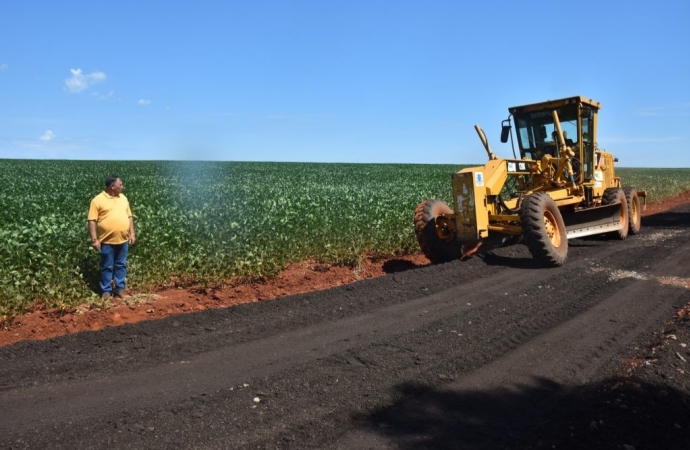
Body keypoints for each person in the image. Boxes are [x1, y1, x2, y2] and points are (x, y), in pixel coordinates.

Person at [88, 174, 136, 299]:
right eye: (120, 185)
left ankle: (120, 289)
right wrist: (94, 240)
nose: (122, 187)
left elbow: (129, 217)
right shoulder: (97, 200)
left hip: (123, 240)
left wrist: (132, 233)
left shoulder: (123, 198)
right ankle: (106, 291)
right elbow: (92, 220)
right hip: (106, 241)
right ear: (112, 186)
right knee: (107, 266)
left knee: (121, 265)